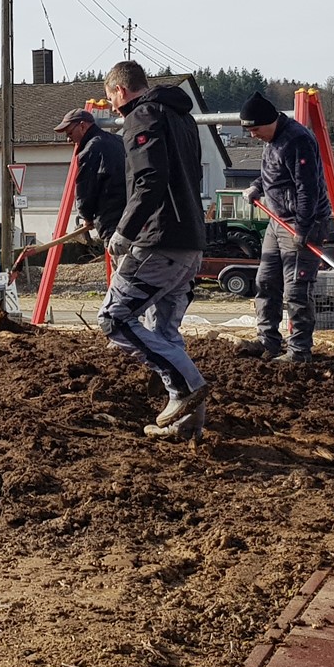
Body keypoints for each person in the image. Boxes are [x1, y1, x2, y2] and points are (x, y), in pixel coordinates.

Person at [97, 61, 209, 443]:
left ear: (120, 90)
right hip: (191, 240)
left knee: (115, 318)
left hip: (158, 241)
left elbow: (148, 181)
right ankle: (187, 422)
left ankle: (186, 386)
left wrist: (124, 233)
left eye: (111, 97)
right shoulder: (182, 118)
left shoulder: (141, 116)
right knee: (164, 329)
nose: (112, 107)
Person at [239, 91, 333, 363]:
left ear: (269, 121)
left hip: (303, 222)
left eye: (255, 129)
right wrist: (257, 186)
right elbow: (274, 173)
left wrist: (303, 228)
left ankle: (299, 352)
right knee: (265, 281)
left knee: (296, 289)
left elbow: (308, 188)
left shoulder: (298, 140)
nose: (253, 135)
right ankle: (267, 341)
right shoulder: (271, 140)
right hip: (277, 221)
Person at [53, 107, 127, 248]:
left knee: (123, 266)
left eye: (70, 133)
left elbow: (85, 188)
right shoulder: (119, 141)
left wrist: (86, 217)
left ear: (82, 126)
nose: (69, 139)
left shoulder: (91, 149)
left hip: (112, 219)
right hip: (133, 218)